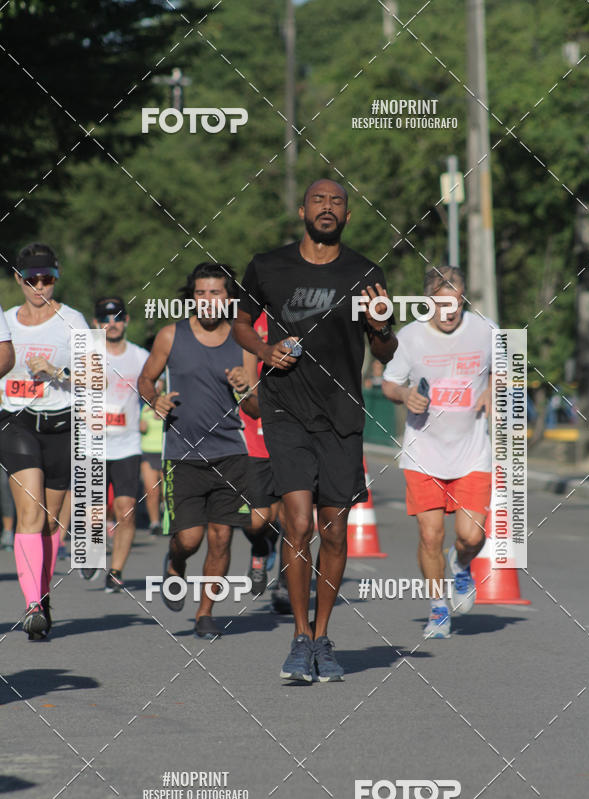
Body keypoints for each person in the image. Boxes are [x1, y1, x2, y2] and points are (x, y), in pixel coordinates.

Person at [233, 178, 397, 682]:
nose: (327, 208)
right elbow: (240, 322)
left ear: (347, 216)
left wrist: (381, 327)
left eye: (337, 202)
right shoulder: (267, 265)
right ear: (302, 210)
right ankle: (299, 636)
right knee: (298, 523)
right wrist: (264, 352)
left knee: (334, 530)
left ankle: (324, 636)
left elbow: (386, 353)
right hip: (285, 408)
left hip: (342, 415)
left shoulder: (365, 272)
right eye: (319, 201)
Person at [138, 262, 252, 638]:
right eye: (200, 293)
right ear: (192, 297)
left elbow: (255, 407)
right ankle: (174, 562)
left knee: (222, 536)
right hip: (182, 455)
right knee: (190, 538)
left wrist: (245, 386)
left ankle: (205, 613)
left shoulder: (243, 340)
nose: (207, 301)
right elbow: (145, 379)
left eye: (215, 292)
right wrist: (155, 399)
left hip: (230, 452)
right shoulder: (171, 335)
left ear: (229, 298)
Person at [382, 266, 493, 638]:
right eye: (441, 303)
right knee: (430, 536)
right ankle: (437, 610)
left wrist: (494, 388)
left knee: (471, 537)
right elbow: (389, 383)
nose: (449, 312)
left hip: (472, 451)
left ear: (464, 299)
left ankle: (461, 568)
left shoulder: (485, 330)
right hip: (423, 452)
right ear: (427, 302)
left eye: (456, 302)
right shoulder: (410, 338)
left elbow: (509, 366)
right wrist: (404, 395)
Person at [0, 242, 87, 639]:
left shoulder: (73, 321)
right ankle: (32, 603)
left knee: (52, 524)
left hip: (61, 426)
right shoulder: (5, 323)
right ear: (18, 279)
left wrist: (57, 370)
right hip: (16, 422)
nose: (39, 287)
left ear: (56, 277)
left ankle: (42, 594)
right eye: (31, 279)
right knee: (30, 511)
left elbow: (95, 377)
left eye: (47, 279)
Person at [81, 297, 149, 592]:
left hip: (127, 444)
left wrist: (151, 408)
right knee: (93, 511)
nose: (112, 323)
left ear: (127, 320)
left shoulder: (141, 357)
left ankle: (116, 571)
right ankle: (91, 551)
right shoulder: (88, 354)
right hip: (91, 443)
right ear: (97, 323)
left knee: (126, 510)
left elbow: (153, 389)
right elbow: (72, 389)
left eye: (117, 317)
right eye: (106, 318)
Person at [225, 311, 289, 612]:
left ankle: (286, 587)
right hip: (255, 439)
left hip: (293, 439)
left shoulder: (301, 314)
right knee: (257, 521)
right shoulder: (247, 322)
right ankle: (261, 548)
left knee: (296, 520)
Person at [139, 377, 165, 536]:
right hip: (148, 450)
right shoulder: (143, 402)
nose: (156, 386)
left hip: (165, 452)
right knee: (151, 491)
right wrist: (140, 425)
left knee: (167, 492)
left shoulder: (168, 399)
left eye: (159, 382)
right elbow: (134, 422)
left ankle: (168, 519)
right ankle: (154, 523)